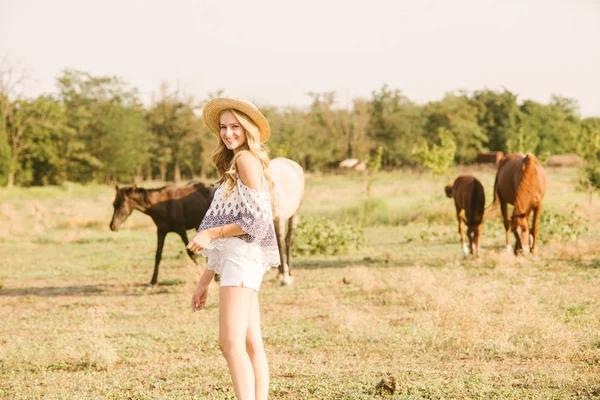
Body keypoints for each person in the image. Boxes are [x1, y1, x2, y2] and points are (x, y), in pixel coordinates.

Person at [187, 98, 280, 400]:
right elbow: (228, 235)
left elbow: (256, 220)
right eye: (224, 128)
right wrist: (204, 281)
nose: (228, 133)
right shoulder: (236, 162)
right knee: (251, 342)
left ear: (247, 129)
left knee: (229, 343)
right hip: (236, 261)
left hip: (242, 261)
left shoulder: (245, 161)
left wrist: (211, 232)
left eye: (235, 127)